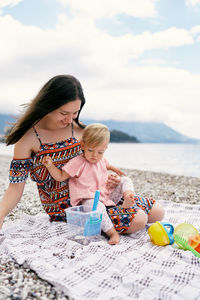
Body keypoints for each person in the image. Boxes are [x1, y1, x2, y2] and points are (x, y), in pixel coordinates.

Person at [0, 74, 164, 233]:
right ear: (48, 105)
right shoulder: (28, 138)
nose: (69, 119)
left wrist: (109, 178)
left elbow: (94, 162)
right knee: (139, 220)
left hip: (98, 192)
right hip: (69, 206)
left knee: (157, 212)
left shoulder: (81, 130)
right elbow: (15, 188)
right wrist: (0, 215)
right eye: (63, 113)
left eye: (75, 113)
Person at [42, 123, 136, 245]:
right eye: (90, 150)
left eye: (100, 152)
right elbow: (61, 176)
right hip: (90, 200)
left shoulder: (101, 159)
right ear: (83, 145)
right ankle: (112, 233)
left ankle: (129, 197)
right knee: (96, 208)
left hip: (106, 194)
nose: (94, 156)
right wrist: (50, 166)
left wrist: (114, 170)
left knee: (126, 180)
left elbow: (106, 165)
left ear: (105, 148)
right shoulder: (78, 162)